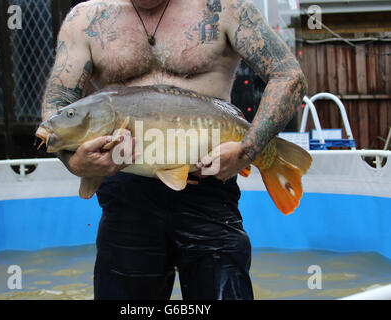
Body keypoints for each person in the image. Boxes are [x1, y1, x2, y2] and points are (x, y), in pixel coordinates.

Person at [41, 0, 307, 300]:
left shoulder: (225, 7)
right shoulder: (86, 18)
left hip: (209, 187)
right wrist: (75, 163)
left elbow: (288, 76)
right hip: (125, 194)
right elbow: (57, 111)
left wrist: (249, 149)